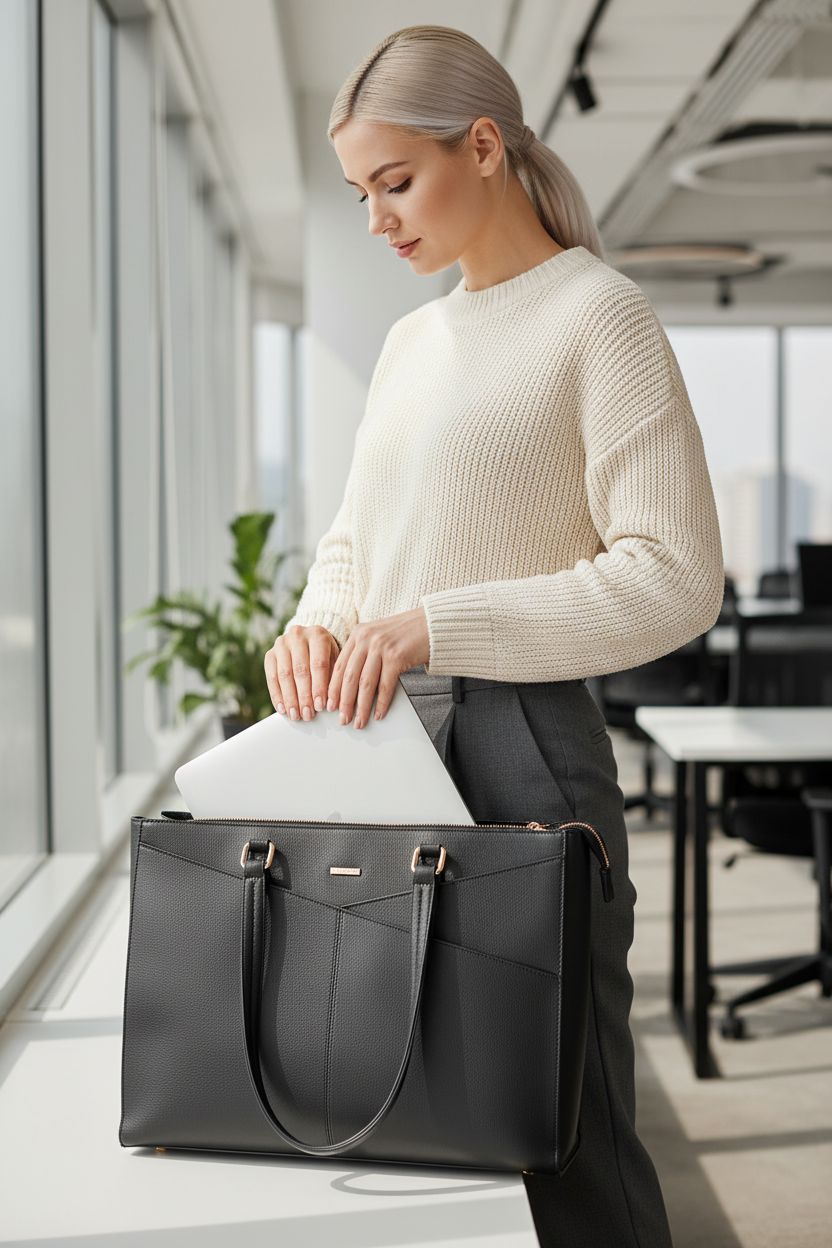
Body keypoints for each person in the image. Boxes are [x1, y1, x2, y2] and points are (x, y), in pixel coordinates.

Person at [264, 24, 724, 1248]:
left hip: (525, 750)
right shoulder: (412, 343)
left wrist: (438, 626)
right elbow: (360, 544)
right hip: (382, 740)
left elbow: (677, 580)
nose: (377, 221)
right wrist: (315, 628)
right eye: (359, 194)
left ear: (483, 145)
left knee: (558, 1127)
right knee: (395, 1105)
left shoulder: (599, 316)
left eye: (394, 183)